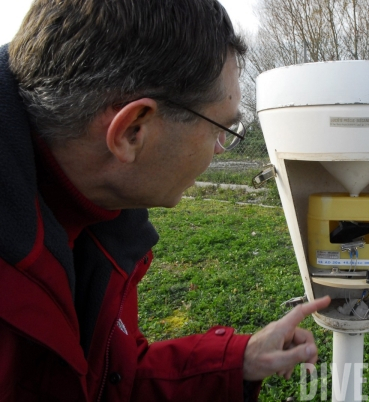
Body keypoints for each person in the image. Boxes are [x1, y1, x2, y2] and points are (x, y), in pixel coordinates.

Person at [0, 0, 330, 401]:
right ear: (131, 131)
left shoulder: (104, 215)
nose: (222, 149)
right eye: (220, 128)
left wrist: (236, 361)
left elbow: (107, 381)